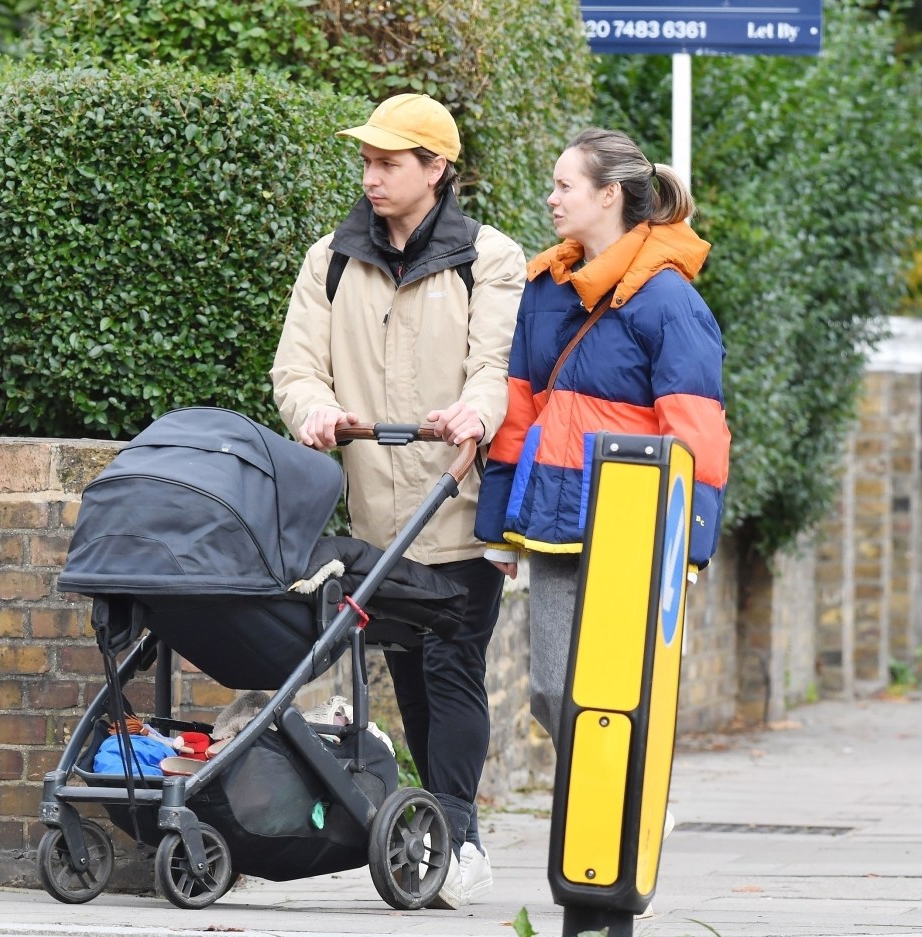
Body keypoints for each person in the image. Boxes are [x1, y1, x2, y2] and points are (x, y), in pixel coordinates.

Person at [270, 93, 526, 909]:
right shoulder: (332, 260)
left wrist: (475, 413)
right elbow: (297, 365)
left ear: (435, 170)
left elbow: (498, 365)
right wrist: (312, 409)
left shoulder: (490, 258)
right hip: (377, 520)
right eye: (368, 163)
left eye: (390, 163)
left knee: (454, 668)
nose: (372, 177)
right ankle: (443, 831)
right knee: (412, 678)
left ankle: (461, 836)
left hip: (458, 504)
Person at [475, 127, 731, 748]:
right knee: (551, 692)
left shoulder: (669, 301)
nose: (551, 199)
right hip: (555, 520)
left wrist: (687, 545)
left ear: (610, 194)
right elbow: (519, 411)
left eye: (565, 186)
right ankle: (611, 798)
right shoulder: (544, 289)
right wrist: (497, 530)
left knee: (614, 693)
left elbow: (696, 430)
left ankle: (623, 808)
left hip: (633, 526)